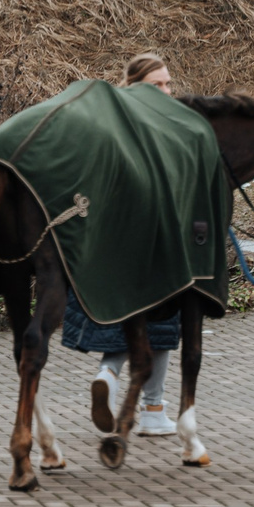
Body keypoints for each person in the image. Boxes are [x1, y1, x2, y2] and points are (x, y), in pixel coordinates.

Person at [67, 51, 181, 435]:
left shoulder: (106, 123)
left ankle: (108, 374)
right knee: (162, 325)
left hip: (108, 241)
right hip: (154, 240)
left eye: (168, 83)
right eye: (157, 84)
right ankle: (153, 409)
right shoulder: (161, 126)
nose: (166, 91)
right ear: (133, 87)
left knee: (127, 322)